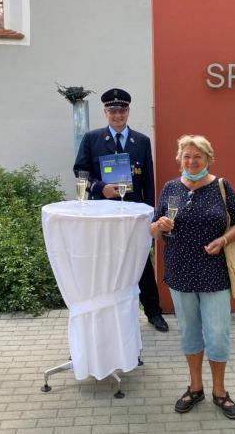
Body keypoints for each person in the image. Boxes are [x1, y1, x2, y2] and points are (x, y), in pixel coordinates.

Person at [150, 135, 235, 419]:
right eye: (186, 157)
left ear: (208, 159)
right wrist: (159, 224)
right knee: (190, 333)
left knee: (217, 335)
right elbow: (154, 232)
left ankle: (220, 391)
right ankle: (196, 387)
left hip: (214, 273)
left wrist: (224, 240)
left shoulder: (221, 186)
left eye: (198, 157)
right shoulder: (170, 188)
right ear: (179, 158)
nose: (191, 162)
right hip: (180, 273)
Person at [73, 88, 168, 332]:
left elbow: (148, 179)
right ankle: (106, 313)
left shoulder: (142, 141)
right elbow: (81, 172)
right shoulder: (92, 139)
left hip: (134, 212)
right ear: (105, 112)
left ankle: (153, 312)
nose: (117, 115)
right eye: (112, 110)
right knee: (104, 262)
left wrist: (151, 213)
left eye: (122, 110)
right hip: (103, 212)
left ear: (128, 111)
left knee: (141, 263)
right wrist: (100, 187)